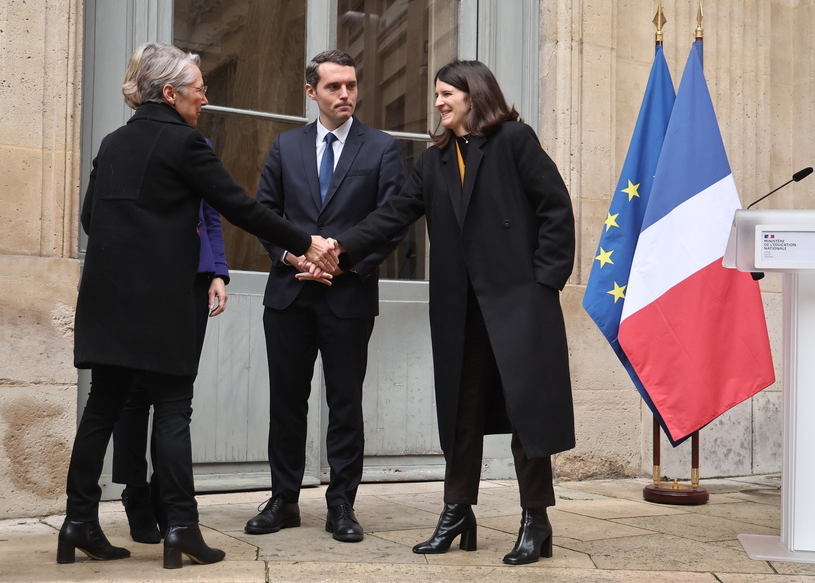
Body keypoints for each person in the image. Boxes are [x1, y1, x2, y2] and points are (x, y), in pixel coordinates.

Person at [58, 42, 336, 570]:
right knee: (172, 410)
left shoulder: (113, 142)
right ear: (170, 93)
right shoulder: (185, 144)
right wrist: (308, 242)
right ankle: (181, 528)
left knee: (101, 409)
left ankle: (78, 522)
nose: (205, 99)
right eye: (199, 89)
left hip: (109, 298)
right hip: (163, 301)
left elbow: (93, 217)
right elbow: (240, 207)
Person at [329, 60, 575, 565]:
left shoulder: (514, 140)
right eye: (437, 95)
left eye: (447, 94)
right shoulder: (434, 159)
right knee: (459, 413)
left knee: (524, 412)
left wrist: (543, 283)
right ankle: (457, 509)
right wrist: (339, 249)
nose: (439, 103)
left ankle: (536, 519)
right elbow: (393, 215)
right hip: (460, 310)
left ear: (474, 94)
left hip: (516, 303)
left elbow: (555, 207)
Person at [243, 49, 405, 543]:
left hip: (348, 296)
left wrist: (344, 260)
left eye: (352, 85)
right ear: (311, 91)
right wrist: (294, 258)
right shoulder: (285, 145)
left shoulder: (381, 148)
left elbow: (393, 220)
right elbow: (264, 213)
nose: (345, 95)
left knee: (345, 403)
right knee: (287, 403)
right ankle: (283, 501)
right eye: (334, 87)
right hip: (289, 296)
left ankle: (342, 507)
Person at [111, 196, 229, 545]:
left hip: (193, 276)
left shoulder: (199, 148)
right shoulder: (128, 143)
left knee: (176, 396)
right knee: (133, 393)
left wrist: (218, 271)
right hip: (139, 276)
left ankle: (168, 499)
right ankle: (136, 492)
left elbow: (210, 214)